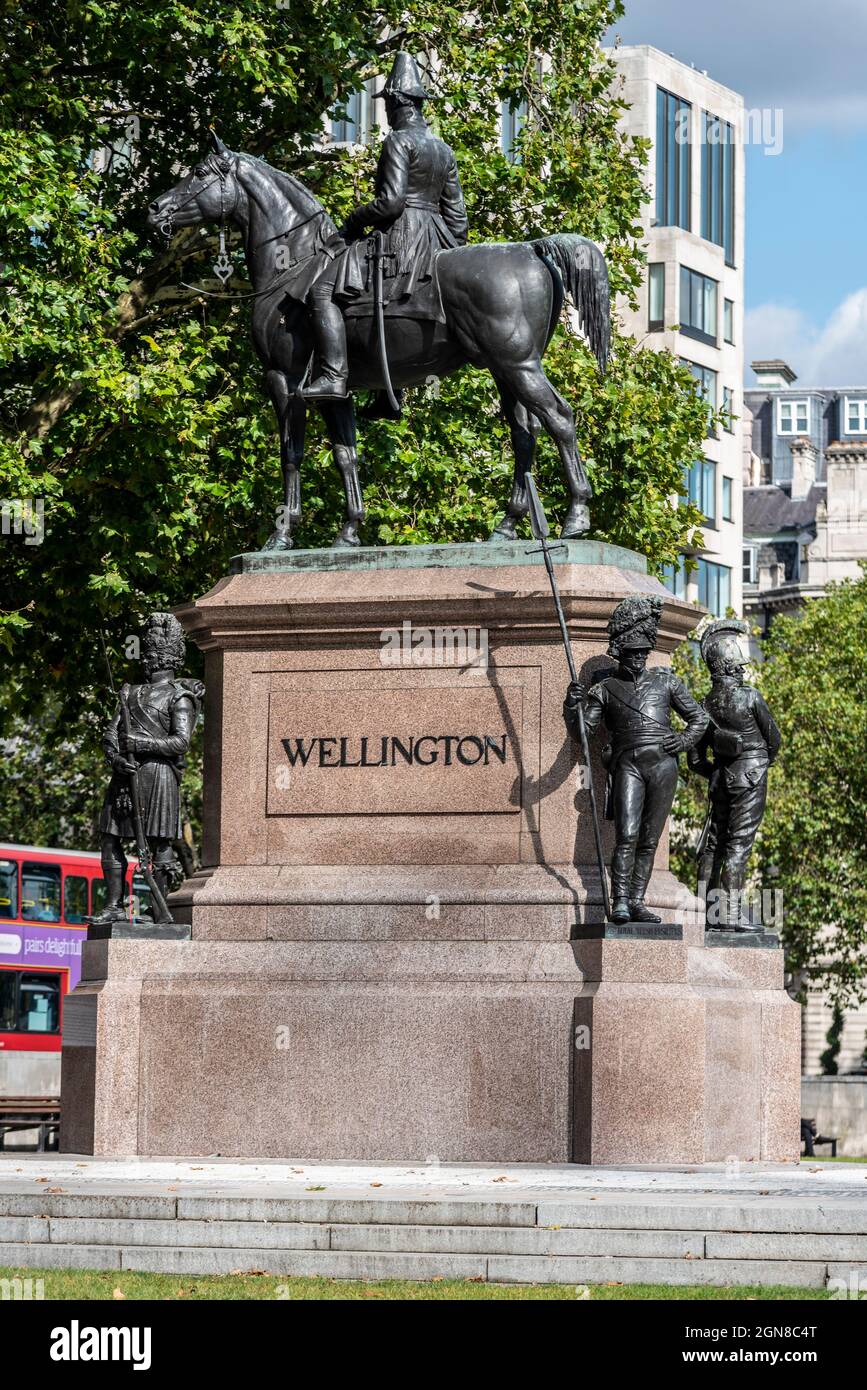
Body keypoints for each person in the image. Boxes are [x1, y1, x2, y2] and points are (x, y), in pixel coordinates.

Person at [304, 51, 469, 400]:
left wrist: (354, 219)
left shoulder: (398, 141)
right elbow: (457, 215)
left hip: (402, 234)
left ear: (397, 103)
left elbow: (391, 202)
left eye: (386, 104)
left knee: (322, 290)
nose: (385, 112)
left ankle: (334, 375)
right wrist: (453, 250)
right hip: (438, 236)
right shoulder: (443, 149)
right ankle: (386, 388)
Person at [564, 595, 709, 924]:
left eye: (644, 652)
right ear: (620, 653)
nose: (639, 659)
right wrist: (572, 706)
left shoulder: (667, 682)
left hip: (663, 764)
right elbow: (583, 735)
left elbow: (699, 719)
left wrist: (683, 740)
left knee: (649, 838)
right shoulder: (605, 687)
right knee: (627, 834)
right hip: (627, 764)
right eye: (633, 654)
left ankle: (639, 900)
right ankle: (621, 901)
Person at [92, 613, 202, 925]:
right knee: (110, 838)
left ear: (170, 660)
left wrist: (139, 743)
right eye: (148, 654)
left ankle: (158, 907)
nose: (149, 660)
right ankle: (113, 904)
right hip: (126, 776)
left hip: (158, 776)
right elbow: (111, 735)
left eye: (156, 656)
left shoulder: (181, 696)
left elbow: (180, 742)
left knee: (159, 844)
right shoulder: (129, 692)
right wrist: (115, 758)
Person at [688, 619, 781, 930]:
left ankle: (707, 912)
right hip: (751, 777)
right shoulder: (750, 696)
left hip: (721, 781)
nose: (742, 670)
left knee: (714, 845)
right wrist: (761, 764)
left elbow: (694, 758)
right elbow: (774, 739)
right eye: (737, 665)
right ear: (726, 666)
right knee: (738, 845)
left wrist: (717, 772)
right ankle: (729, 915)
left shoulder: (704, 704)